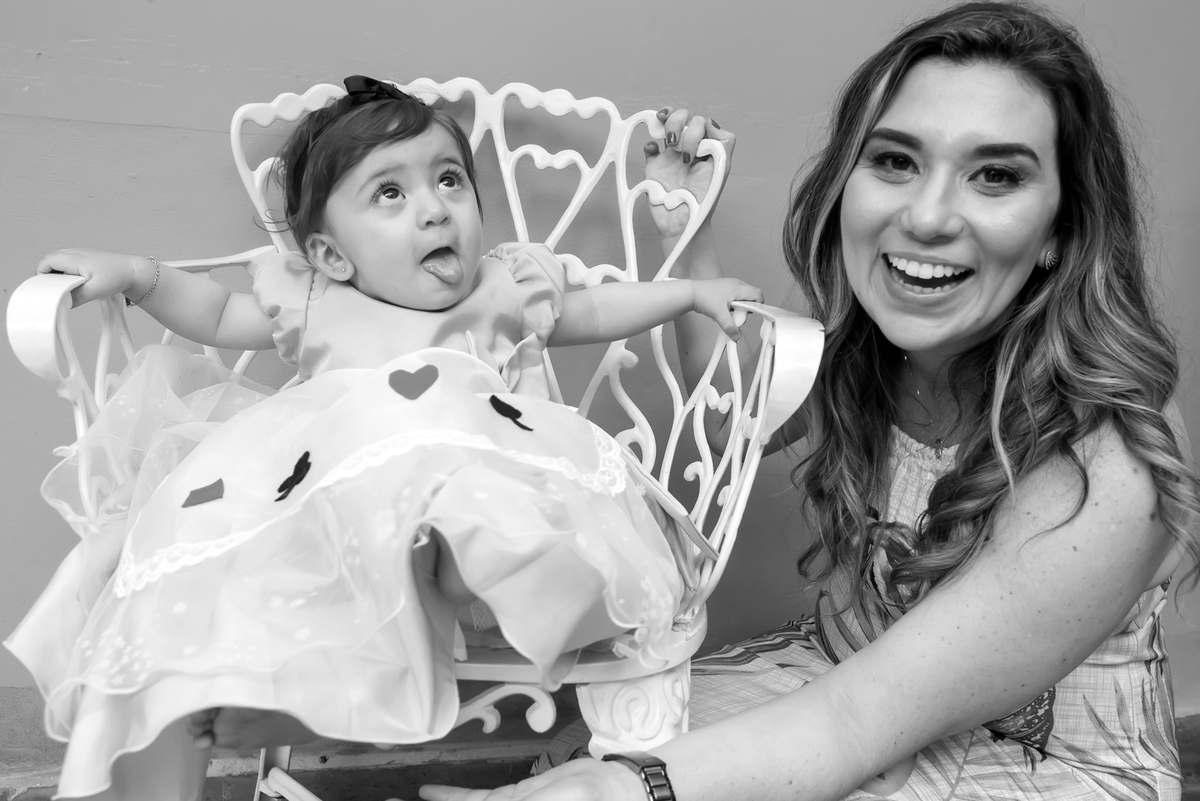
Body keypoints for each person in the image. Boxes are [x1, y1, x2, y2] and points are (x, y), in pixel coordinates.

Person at [418, 3, 1200, 800]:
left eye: (995, 175)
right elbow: (725, 421)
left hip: (1027, 759)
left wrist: (613, 790)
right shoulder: (866, 354)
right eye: (894, 160)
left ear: (1063, 229)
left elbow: (855, 721)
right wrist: (684, 230)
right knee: (598, 739)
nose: (927, 216)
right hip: (842, 677)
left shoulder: (1110, 454)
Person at [5, 76, 762, 801]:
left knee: (465, 465)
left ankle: (490, 575)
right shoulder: (315, 297)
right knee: (207, 535)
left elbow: (594, 310)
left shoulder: (503, 286)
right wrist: (137, 275)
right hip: (344, 499)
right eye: (390, 194)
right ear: (333, 255)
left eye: (450, 180)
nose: (434, 210)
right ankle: (268, 695)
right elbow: (215, 313)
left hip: (470, 477)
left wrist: (690, 292)